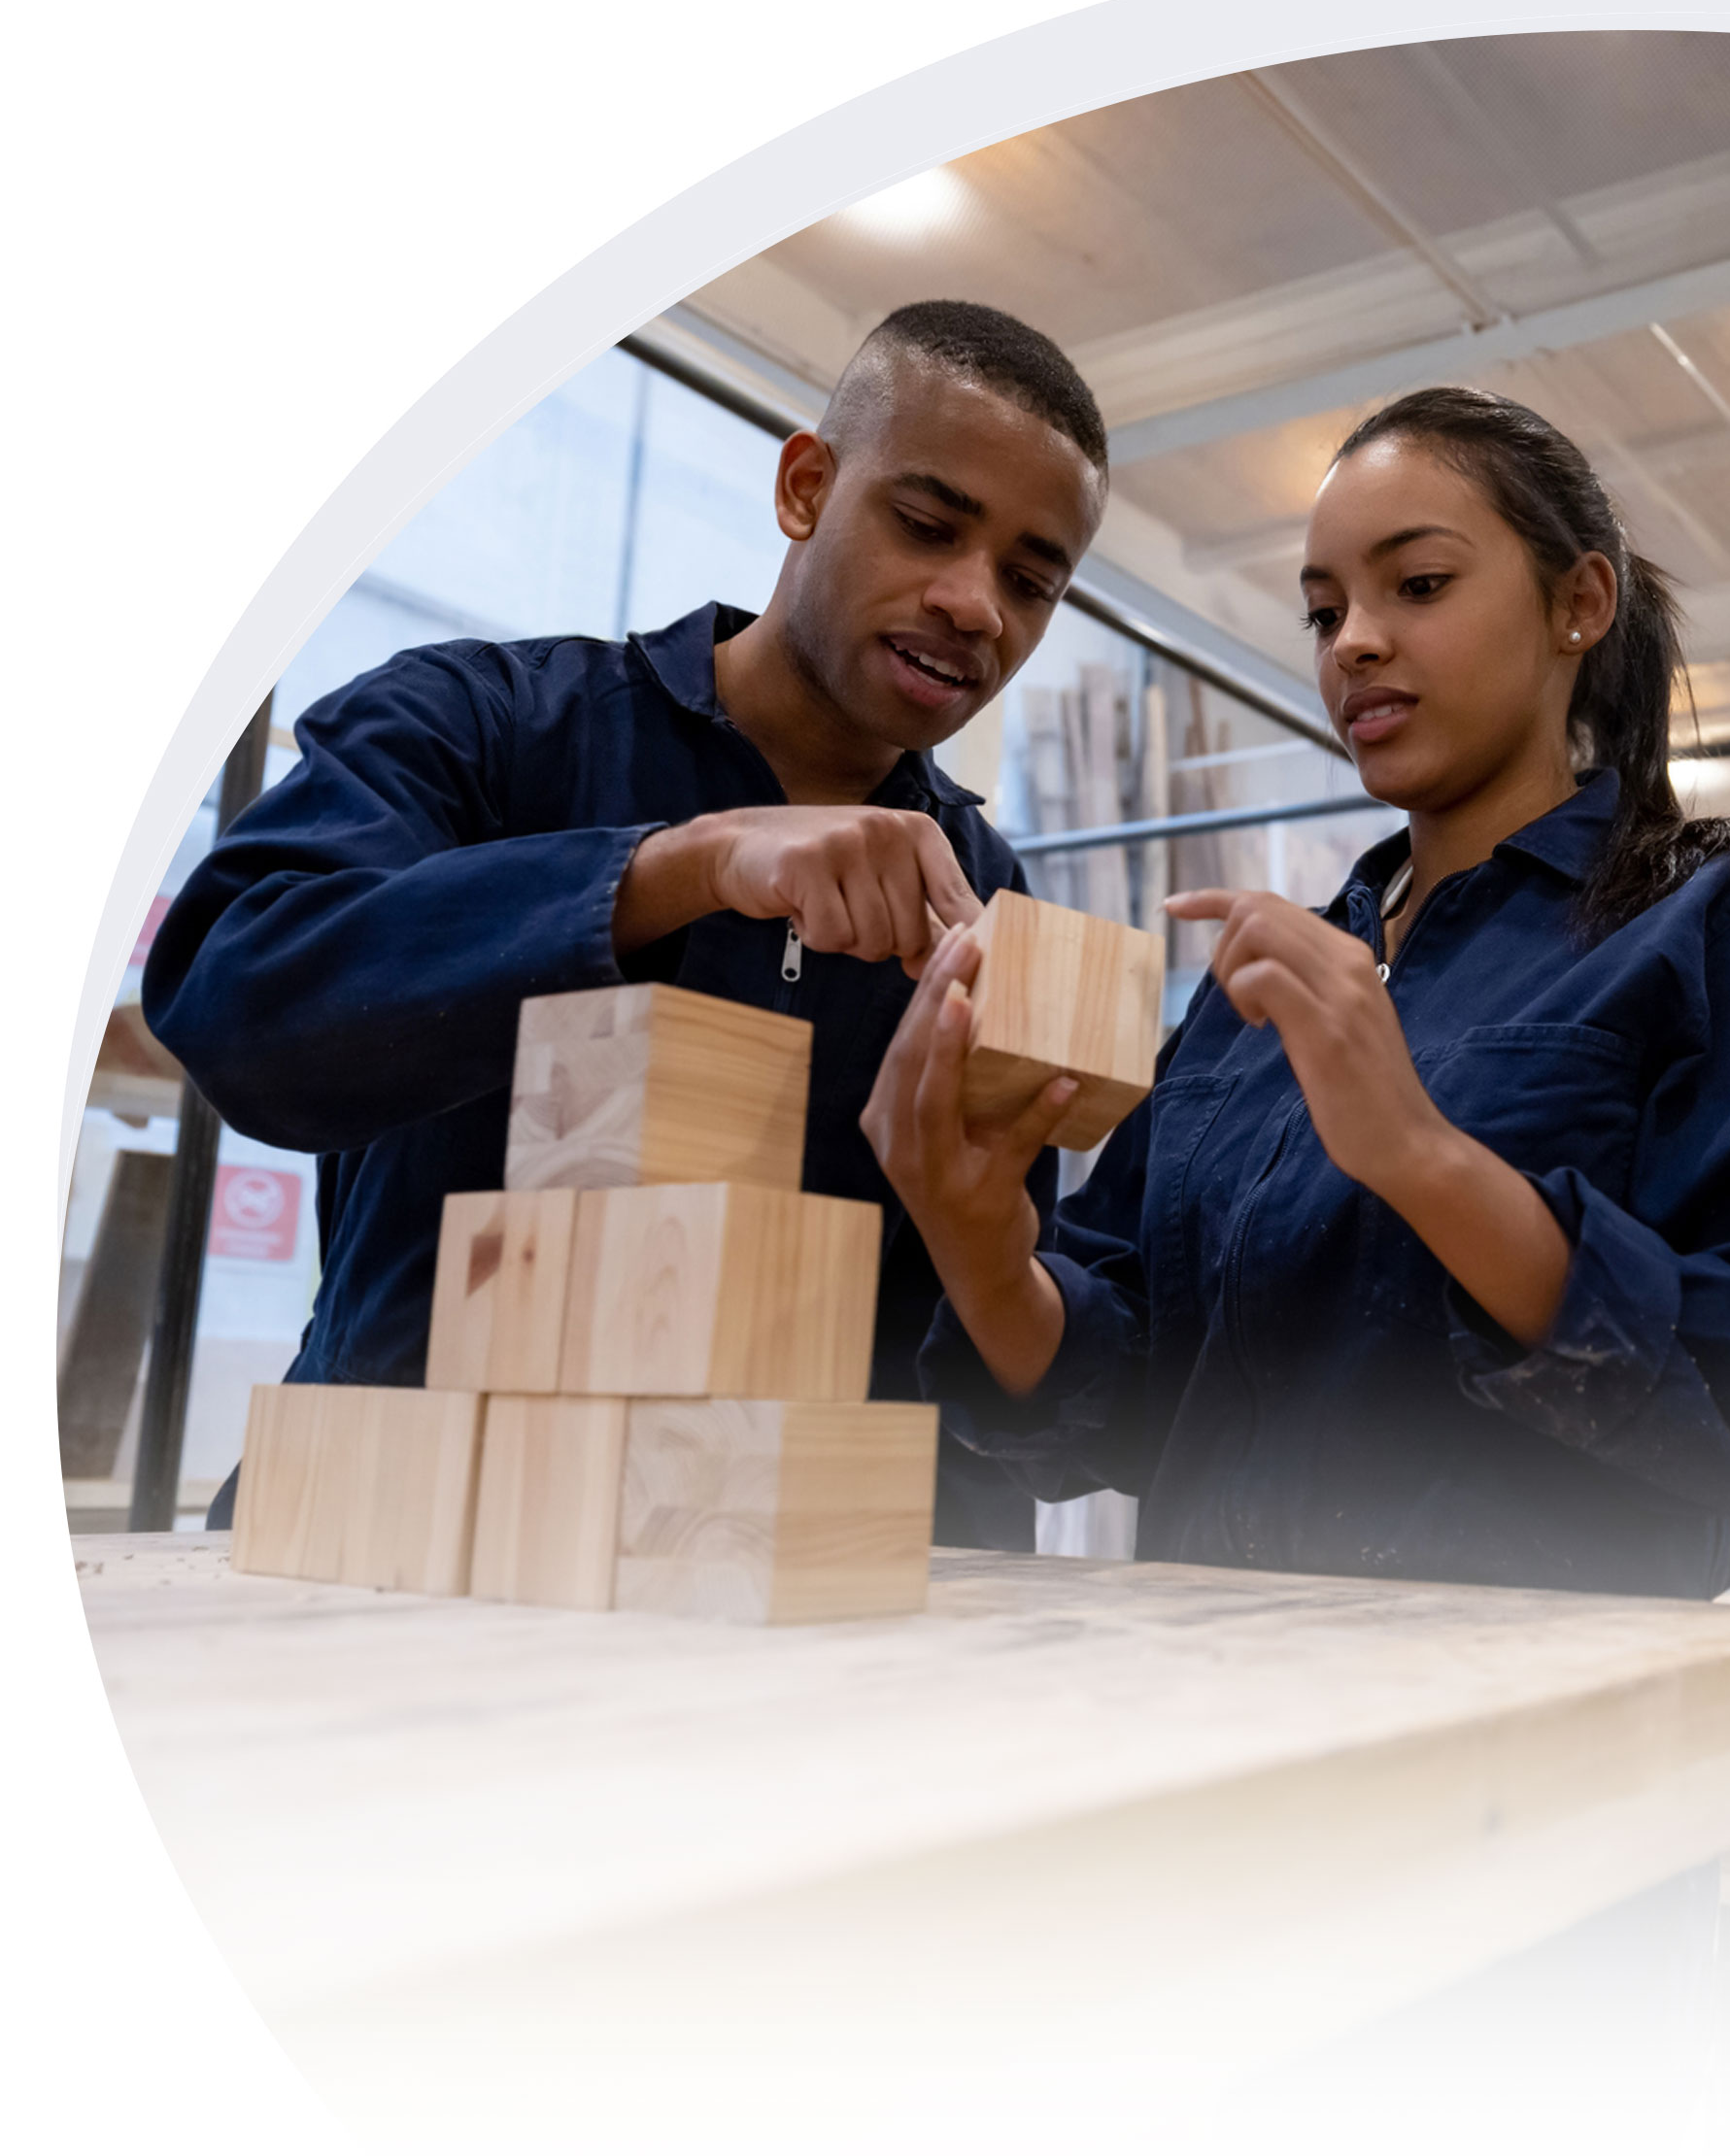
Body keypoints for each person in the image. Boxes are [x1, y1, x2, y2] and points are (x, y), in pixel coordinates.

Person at [865, 385, 1730, 1597]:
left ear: (1580, 603)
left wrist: (1421, 1155)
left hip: (1529, 1739)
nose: (1351, 640)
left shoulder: (1720, 932)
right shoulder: (1267, 985)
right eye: (1322, 609)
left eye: (1418, 585)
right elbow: (1128, 1403)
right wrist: (980, 1245)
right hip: (1223, 1702)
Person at [145, 300, 1108, 1544]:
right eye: (927, 526)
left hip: (791, 1605)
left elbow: (952, 1342)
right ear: (807, 487)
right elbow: (236, 995)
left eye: (1031, 582)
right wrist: (671, 868)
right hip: (396, 1546)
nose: (975, 603)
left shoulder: (985, 897)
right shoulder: (478, 725)